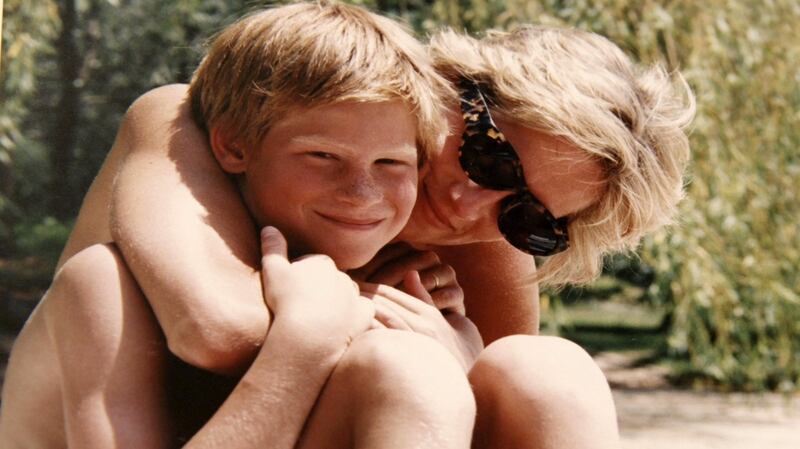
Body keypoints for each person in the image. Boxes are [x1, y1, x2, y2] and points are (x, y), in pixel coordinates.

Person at [4, 2, 695, 449]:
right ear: (454, 87)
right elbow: (216, 330)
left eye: (532, 221)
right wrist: (350, 311)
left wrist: (461, 359)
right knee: (409, 364)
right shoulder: (186, 124)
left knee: (551, 372)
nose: (469, 204)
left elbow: (502, 412)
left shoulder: (486, 240)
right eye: (489, 155)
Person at [0, 3, 479, 448]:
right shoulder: (106, 286)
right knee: (411, 372)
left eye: (391, 163)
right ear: (232, 147)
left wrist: (458, 348)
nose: (362, 192)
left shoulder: (382, 284)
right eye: (322, 156)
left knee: (538, 368)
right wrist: (304, 344)